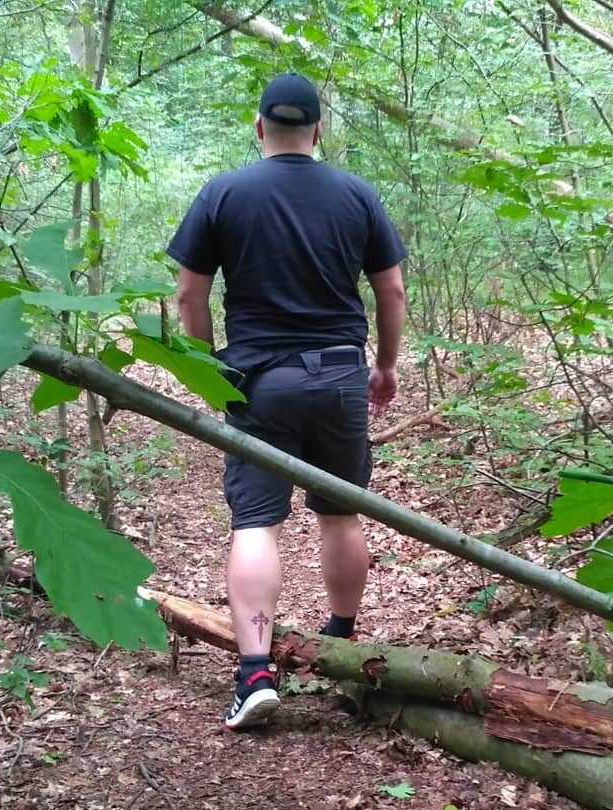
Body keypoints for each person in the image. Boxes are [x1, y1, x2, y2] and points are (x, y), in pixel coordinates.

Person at [167, 73, 407, 731]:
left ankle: (254, 675)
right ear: (318, 131)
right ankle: (343, 641)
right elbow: (391, 290)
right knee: (342, 513)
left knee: (256, 522)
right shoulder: (357, 195)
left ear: (259, 127)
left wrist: (207, 371)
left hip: (259, 381)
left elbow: (189, 295)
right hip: (340, 376)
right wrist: (385, 366)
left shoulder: (224, 192)